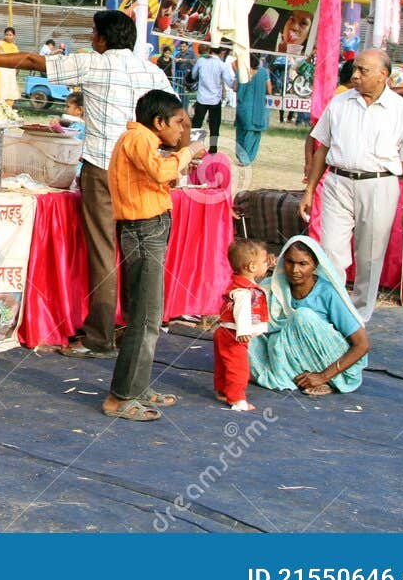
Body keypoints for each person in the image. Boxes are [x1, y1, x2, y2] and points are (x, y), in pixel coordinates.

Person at [0, 9, 170, 357]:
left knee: (104, 252)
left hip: (104, 169)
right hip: (142, 173)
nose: (91, 40)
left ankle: (100, 337)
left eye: (93, 34)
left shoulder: (94, 64)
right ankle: (132, 330)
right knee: (136, 253)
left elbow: (34, 61)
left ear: (103, 39)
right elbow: (175, 118)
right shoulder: (152, 72)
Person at [101, 89, 209, 421]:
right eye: (178, 123)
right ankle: (120, 397)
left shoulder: (144, 142)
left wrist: (178, 157)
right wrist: (188, 152)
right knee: (145, 318)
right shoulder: (138, 140)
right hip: (143, 229)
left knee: (147, 315)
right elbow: (162, 173)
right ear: (158, 122)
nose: (181, 131)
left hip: (149, 227)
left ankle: (137, 386)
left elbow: (158, 177)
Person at [298, 48, 403, 321]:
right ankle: (332, 310)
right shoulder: (340, 103)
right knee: (330, 250)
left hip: (380, 185)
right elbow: (322, 149)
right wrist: (309, 190)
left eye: (363, 71)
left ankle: (359, 316)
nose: (355, 76)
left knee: (369, 256)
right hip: (338, 182)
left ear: (383, 75)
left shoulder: (401, 110)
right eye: (354, 69)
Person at [248, 237, 370, 396]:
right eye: (290, 262)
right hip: (289, 357)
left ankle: (325, 381)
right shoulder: (273, 288)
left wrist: (322, 376)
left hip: (328, 362)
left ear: (315, 266)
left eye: (303, 264)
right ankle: (291, 377)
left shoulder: (327, 293)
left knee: (302, 316)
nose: (294, 270)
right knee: (243, 332)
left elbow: (362, 345)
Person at [215, 240, 274, 412]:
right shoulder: (243, 291)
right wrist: (243, 331)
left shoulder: (241, 283)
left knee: (224, 364)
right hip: (234, 333)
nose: (267, 265)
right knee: (238, 368)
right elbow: (241, 312)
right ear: (251, 267)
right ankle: (237, 399)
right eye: (264, 262)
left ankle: (223, 390)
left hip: (224, 331)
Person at [190, 46, 236, 153]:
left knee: (197, 123)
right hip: (215, 99)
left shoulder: (201, 61)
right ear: (222, 52)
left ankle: (194, 147)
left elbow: (193, 75)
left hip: (202, 98)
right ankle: (213, 148)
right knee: (214, 126)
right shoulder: (222, 64)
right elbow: (229, 82)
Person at [234, 54, 272, 165]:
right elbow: (269, 89)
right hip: (258, 108)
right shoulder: (264, 72)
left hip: (243, 107)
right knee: (254, 134)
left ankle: (242, 156)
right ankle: (247, 158)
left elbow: (235, 87)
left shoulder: (241, 72)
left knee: (241, 132)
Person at [0, 27, 20, 103]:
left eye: (10, 35)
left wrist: (16, 71)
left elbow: (14, 60)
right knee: (0, 91)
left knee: (10, 91)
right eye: (6, 35)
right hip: (0, 71)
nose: (8, 36)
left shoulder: (14, 47)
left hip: (10, 72)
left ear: (14, 36)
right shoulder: (0, 43)